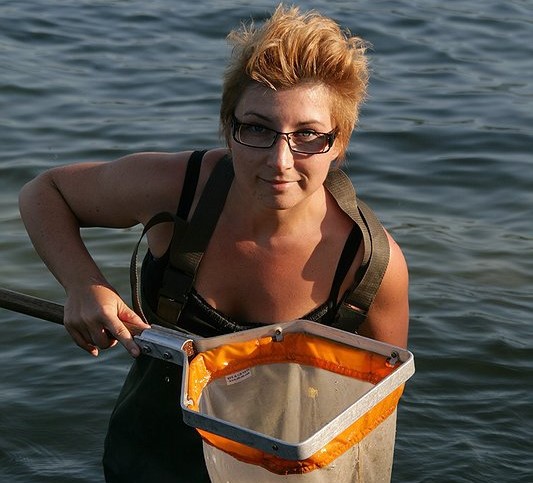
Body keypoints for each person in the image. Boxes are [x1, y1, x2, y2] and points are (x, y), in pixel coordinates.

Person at [19, 4, 409, 482]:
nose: (280, 161)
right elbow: (46, 192)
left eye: (307, 135)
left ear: (340, 141)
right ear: (228, 127)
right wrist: (83, 285)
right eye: (258, 129)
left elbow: (374, 420)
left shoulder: (370, 268)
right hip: (146, 463)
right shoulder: (177, 190)